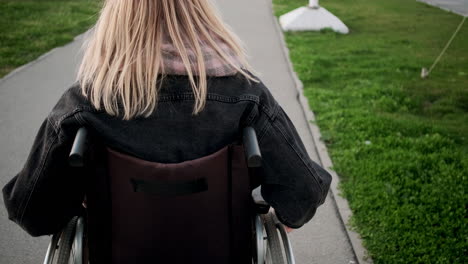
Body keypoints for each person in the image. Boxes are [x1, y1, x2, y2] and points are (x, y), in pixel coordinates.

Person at [3, 0, 331, 241]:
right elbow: (304, 189)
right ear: (203, 19)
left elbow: (30, 210)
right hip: (220, 246)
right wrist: (282, 214)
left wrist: (80, 202)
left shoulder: (86, 102)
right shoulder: (246, 95)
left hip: (116, 246)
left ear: (115, 23)